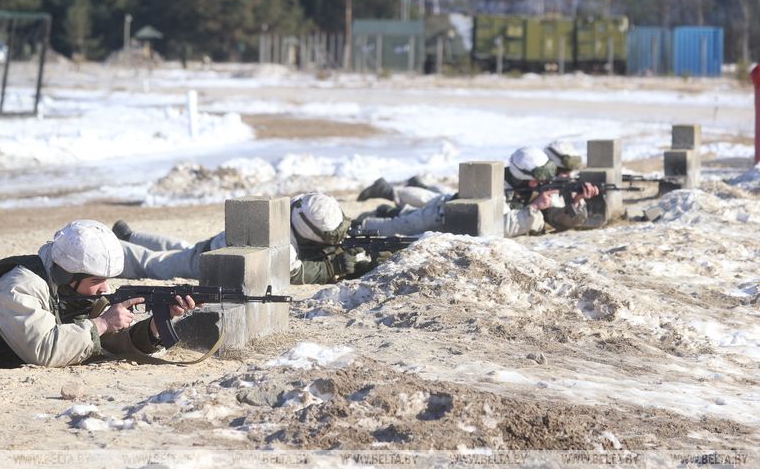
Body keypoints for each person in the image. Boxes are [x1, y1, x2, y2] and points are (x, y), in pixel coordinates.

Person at [0, 220, 196, 368]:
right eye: (97, 281)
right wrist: (102, 323)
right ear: (67, 276)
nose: (104, 289)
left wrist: (153, 329)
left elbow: (108, 342)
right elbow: (45, 350)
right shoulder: (18, 286)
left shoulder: (75, 293)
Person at [116, 192, 367, 285]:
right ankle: (115, 251)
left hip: (220, 245)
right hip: (214, 258)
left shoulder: (298, 207)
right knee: (157, 264)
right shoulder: (285, 243)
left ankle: (131, 236)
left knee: (182, 250)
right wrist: (330, 268)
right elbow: (291, 273)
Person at [355, 147, 599, 238]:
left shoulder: (531, 186)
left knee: (402, 218)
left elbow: (557, 219)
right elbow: (497, 228)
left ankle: (385, 208)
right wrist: (534, 209)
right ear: (526, 178)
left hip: (454, 220)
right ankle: (358, 224)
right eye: (538, 180)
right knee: (394, 229)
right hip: (442, 213)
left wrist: (575, 202)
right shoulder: (498, 188)